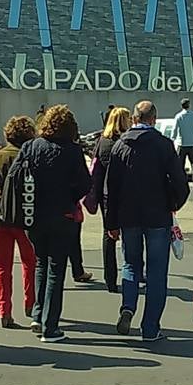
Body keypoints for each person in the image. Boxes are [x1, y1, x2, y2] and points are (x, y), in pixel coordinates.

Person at [104, 100, 190, 343]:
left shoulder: (119, 146)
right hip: (157, 216)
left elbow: (110, 187)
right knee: (157, 271)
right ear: (154, 119)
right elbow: (180, 182)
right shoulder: (164, 145)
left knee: (131, 264)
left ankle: (128, 306)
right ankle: (150, 328)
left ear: (133, 119)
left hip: (128, 216)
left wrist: (111, 222)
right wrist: (174, 203)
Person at [10, 105, 89, 343]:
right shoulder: (72, 151)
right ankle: (50, 326)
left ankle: (37, 314)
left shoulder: (30, 146)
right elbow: (85, 184)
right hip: (62, 215)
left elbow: (15, 176)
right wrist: (70, 198)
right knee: (56, 270)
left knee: (40, 264)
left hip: (33, 216)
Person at [0, 115, 37, 328]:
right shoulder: (30, 157)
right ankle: (31, 304)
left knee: (2, 266)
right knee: (30, 262)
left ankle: (4, 310)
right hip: (25, 216)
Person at [86, 106, 133, 293]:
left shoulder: (102, 142)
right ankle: (132, 272)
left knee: (108, 236)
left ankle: (110, 278)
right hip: (125, 196)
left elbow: (95, 167)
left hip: (105, 196)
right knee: (131, 236)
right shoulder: (125, 143)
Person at [169, 98, 193, 179]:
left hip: (182, 144)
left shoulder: (179, 116)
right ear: (189, 105)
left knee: (180, 164)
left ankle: (181, 179)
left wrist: (172, 139)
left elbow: (174, 129)